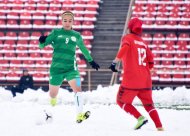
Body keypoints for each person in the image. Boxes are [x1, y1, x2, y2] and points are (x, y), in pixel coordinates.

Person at [38, 11, 100, 123]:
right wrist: (41, 41)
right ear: (61, 21)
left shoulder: (76, 35)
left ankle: (79, 115)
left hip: (71, 69)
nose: (67, 23)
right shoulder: (56, 33)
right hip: (56, 70)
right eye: (65, 20)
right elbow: (42, 45)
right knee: (53, 94)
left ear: (73, 22)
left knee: (78, 90)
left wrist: (91, 61)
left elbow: (83, 48)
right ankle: (53, 99)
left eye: (70, 21)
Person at [109, 18, 163, 131]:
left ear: (129, 28)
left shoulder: (127, 38)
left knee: (121, 101)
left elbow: (125, 48)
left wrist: (115, 61)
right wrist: (151, 68)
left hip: (132, 79)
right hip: (146, 79)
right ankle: (159, 127)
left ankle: (140, 118)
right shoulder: (143, 43)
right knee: (149, 105)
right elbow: (151, 59)